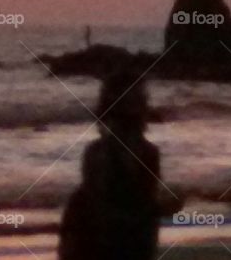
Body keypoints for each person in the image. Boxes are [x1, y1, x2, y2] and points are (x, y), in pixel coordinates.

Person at [58, 72, 161, 260]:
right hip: (96, 240)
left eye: (143, 100)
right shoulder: (99, 154)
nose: (145, 106)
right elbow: (99, 209)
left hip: (127, 237)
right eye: (140, 100)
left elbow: (146, 203)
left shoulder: (149, 153)